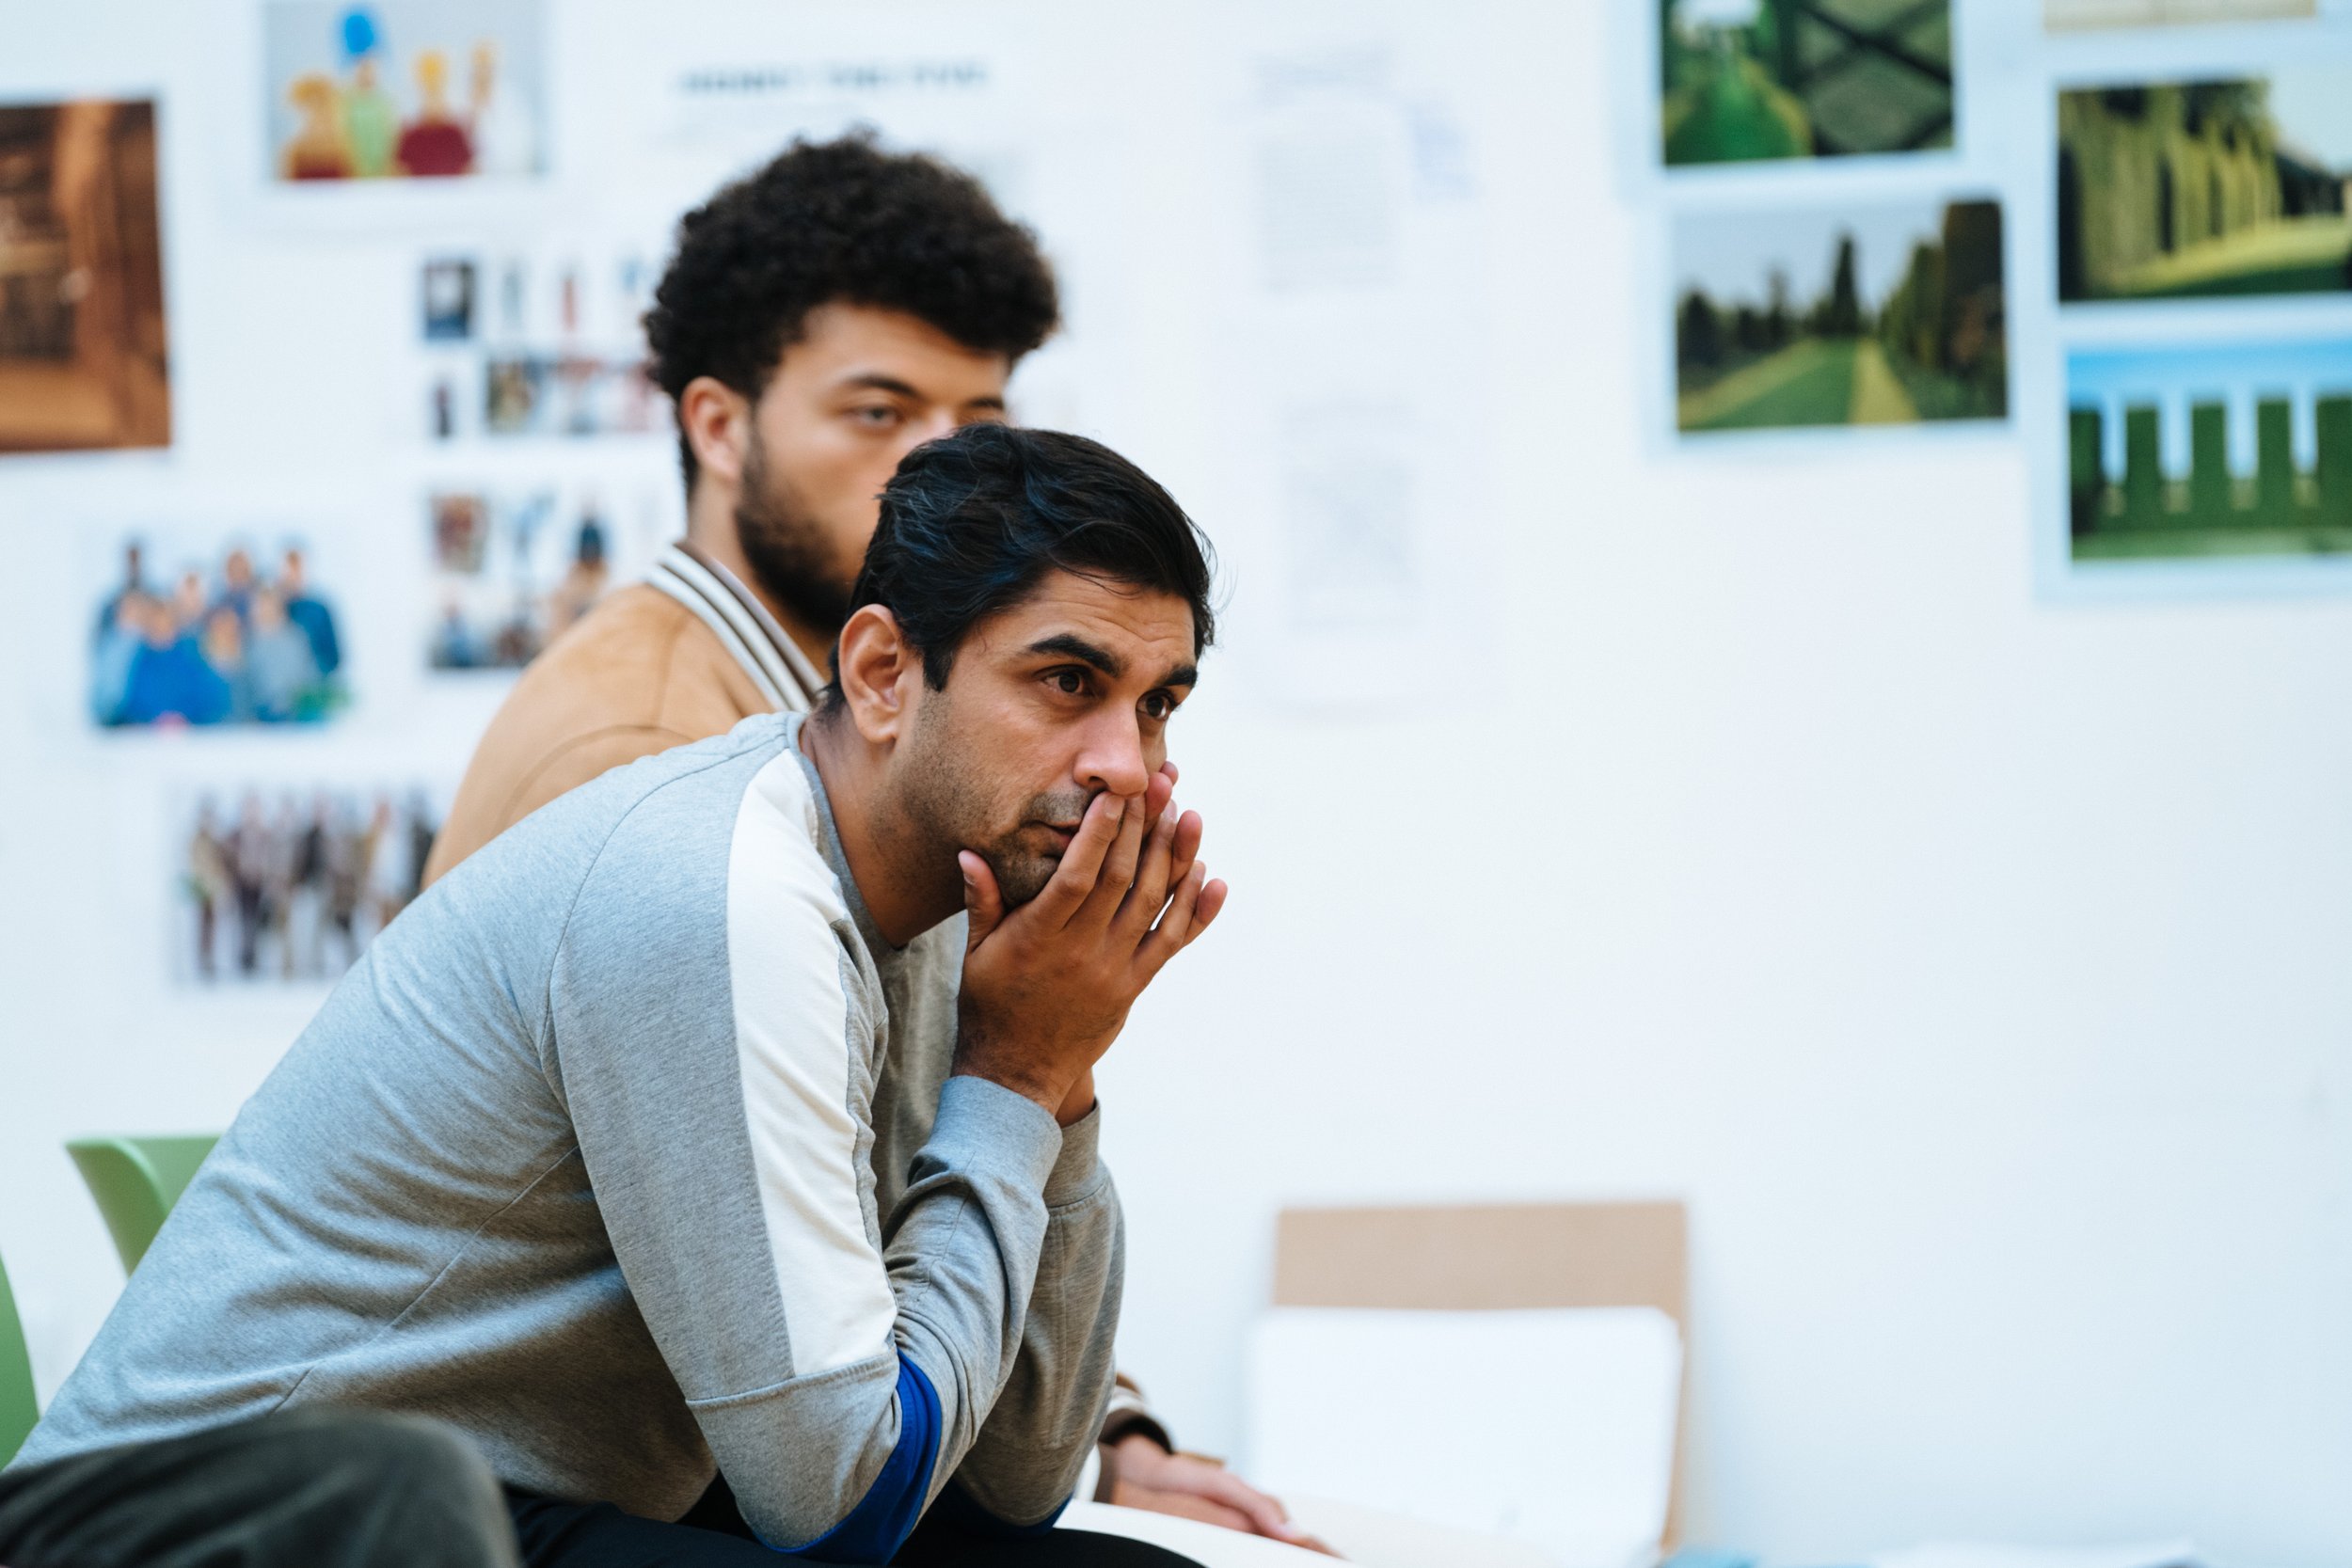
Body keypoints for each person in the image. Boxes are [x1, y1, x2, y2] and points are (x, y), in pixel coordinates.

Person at [5, 426, 1221, 1568]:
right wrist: (1010, 1075)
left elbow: (1016, 1481)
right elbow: (840, 1502)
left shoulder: (955, 911)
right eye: (1069, 682)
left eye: (1158, 705)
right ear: (886, 674)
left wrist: (1059, 1073)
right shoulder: (720, 892)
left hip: (497, 1506)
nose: (1127, 766)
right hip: (220, 1526)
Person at [415, 132, 1322, 1550]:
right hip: (468, 1490)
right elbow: (825, 1325)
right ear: (721, 429)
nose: (947, 462)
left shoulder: (884, 759)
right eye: (884, 412)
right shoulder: (654, 761)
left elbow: (915, 1172)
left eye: (980, 412)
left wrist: (1101, 1426)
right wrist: (1030, 1068)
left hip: (698, 1432)